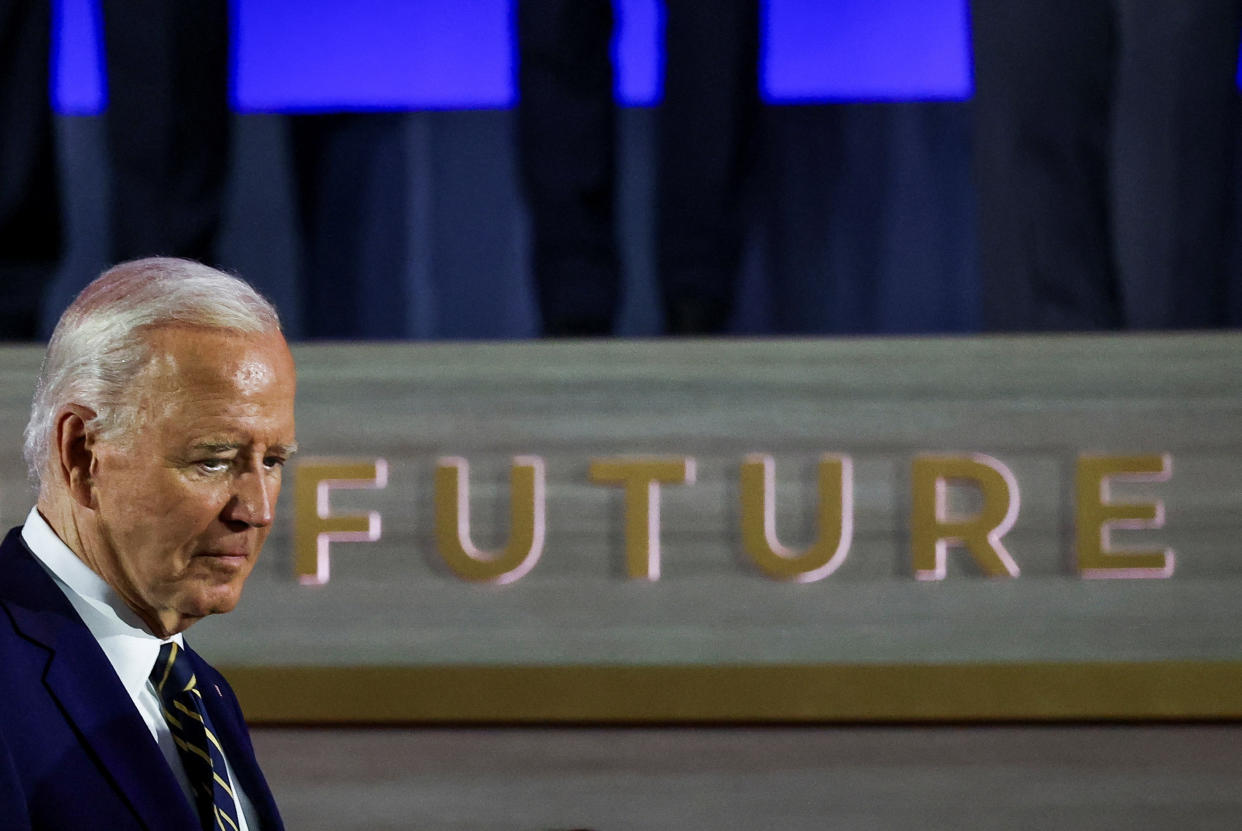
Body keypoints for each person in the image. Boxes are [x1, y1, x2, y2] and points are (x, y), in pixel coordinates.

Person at [0, 258, 294, 829]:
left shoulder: (199, 692)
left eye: (274, 461)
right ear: (83, 454)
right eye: (213, 461)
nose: (255, 511)